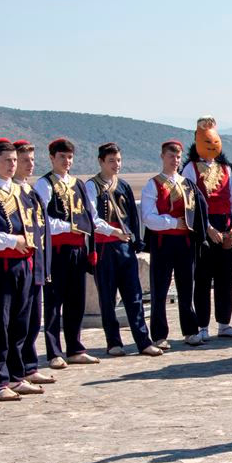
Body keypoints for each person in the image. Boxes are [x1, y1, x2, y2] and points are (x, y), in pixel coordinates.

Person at [0, 139, 45, 400]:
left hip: (23, 263)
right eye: (7, 160)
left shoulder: (20, 190)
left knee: (20, 322)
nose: (12, 165)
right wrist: (11, 241)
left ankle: (17, 374)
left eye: (15, 160)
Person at [86, 143, 162, 357]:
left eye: (118, 160)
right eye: (111, 161)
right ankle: (113, 342)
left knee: (134, 295)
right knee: (107, 297)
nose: (116, 164)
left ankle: (143, 341)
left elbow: (132, 216)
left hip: (124, 246)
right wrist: (113, 231)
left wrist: (135, 241)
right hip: (104, 247)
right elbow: (92, 218)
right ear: (101, 161)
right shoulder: (92, 186)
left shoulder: (124, 186)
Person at [35, 138, 100, 365]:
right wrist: (68, 227)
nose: (66, 161)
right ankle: (54, 352)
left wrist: (91, 248)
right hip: (57, 250)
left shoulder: (77, 184)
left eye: (70, 157)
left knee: (76, 300)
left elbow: (89, 217)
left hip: (77, 249)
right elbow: (42, 220)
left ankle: (75, 348)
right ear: (52, 158)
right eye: (62, 156)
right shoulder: (45, 184)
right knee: (54, 302)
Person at [182, 116, 232, 341]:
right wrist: (207, 227)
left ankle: (224, 323)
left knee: (225, 278)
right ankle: (202, 326)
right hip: (203, 230)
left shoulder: (226, 169)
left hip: (226, 227)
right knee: (202, 278)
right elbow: (190, 203)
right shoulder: (190, 169)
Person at [141, 140, 208, 348]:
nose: (175, 160)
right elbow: (148, 217)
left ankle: (190, 330)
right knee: (160, 289)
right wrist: (172, 222)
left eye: (178, 157)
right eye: (171, 156)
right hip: (163, 242)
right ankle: (159, 335)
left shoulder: (187, 184)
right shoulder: (153, 184)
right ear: (162, 157)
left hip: (185, 243)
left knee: (186, 288)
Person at [12, 140, 57, 379]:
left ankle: (30, 366)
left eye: (32, 159)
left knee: (32, 318)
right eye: (24, 160)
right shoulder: (9, 192)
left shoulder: (31, 191)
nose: (30, 164)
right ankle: (16, 370)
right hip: (17, 262)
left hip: (36, 261)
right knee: (17, 321)